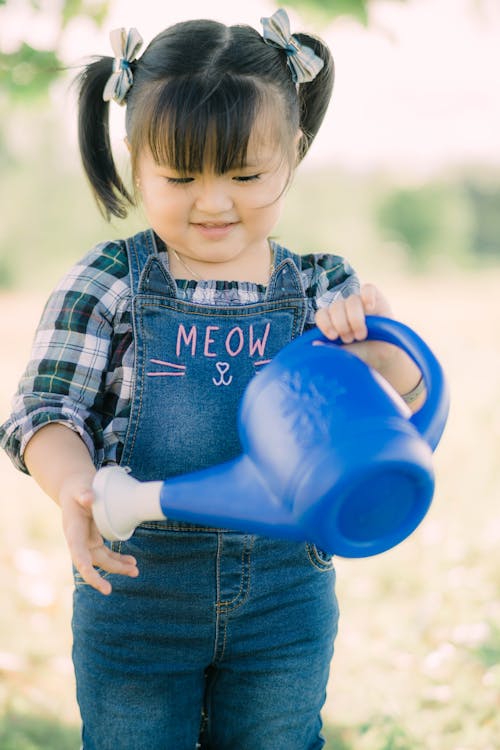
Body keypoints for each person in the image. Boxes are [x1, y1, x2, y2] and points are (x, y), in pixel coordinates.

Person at [0, 9, 425, 749]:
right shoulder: (108, 282)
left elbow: (403, 419)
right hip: (136, 596)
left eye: (245, 174)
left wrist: (385, 357)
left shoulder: (325, 294)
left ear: (292, 151)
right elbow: (48, 408)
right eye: (180, 175)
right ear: (135, 156)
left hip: (285, 601)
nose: (213, 200)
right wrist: (74, 482)